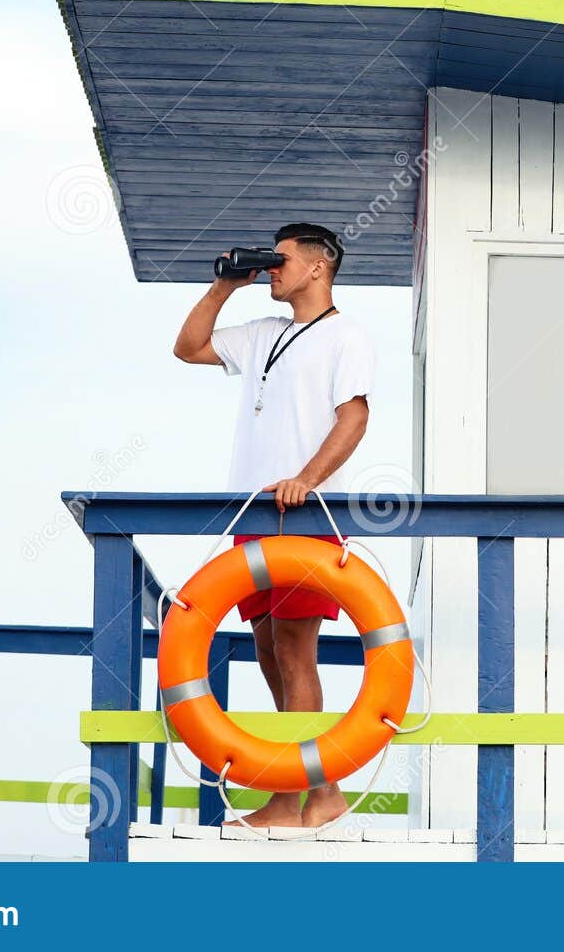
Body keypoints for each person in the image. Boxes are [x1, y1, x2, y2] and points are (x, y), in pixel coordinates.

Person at [172, 223, 376, 828]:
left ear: (319, 266)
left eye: (280, 259)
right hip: (255, 516)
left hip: (303, 518)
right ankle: (316, 793)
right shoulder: (264, 334)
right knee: (269, 651)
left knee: (294, 655)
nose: (271, 268)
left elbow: (354, 416)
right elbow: (188, 347)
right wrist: (224, 286)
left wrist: (307, 478)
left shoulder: (347, 336)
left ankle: (297, 798)